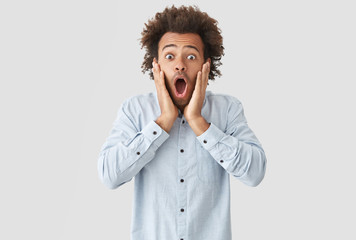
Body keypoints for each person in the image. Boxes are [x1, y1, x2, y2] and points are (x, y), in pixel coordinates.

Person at [98, 5, 267, 240]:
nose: (180, 65)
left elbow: (255, 173)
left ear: (205, 65)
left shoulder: (228, 109)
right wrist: (162, 123)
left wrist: (199, 122)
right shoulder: (134, 109)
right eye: (169, 56)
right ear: (156, 65)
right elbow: (109, 175)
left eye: (190, 56)